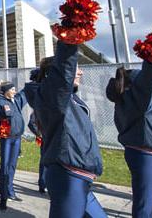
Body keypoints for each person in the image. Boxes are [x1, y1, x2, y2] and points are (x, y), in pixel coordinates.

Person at [25, 45, 106, 218]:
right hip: (68, 175)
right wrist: (70, 40)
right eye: (76, 68)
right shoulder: (55, 96)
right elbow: (63, 69)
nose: (81, 72)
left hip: (80, 176)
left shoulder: (71, 99)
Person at [106, 44, 152, 218]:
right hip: (143, 154)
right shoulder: (139, 102)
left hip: (140, 153)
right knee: (144, 203)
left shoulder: (125, 101)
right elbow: (148, 80)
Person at [0, 81, 28, 211]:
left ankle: (10, 191)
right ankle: (3, 198)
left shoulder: (16, 101)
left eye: (15, 89)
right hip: (7, 139)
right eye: (12, 89)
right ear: (6, 91)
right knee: (5, 167)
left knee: (12, 166)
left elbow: (26, 92)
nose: (15, 91)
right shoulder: (0, 103)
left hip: (17, 138)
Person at [27, 111, 46, 194]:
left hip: (56, 139)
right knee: (45, 162)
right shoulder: (39, 107)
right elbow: (31, 123)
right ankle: (42, 184)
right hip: (46, 140)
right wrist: (40, 134)